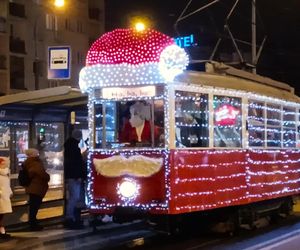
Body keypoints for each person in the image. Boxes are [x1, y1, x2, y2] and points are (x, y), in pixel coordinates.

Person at [63, 129, 86, 229]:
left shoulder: (69, 146)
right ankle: (70, 217)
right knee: (75, 197)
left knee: (75, 197)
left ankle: (73, 217)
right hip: (74, 177)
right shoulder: (74, 148)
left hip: (72, 176)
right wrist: (79, 176)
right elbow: (76, 164)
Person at [23, 148, 50, 231]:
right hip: (36, 188)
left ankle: (33, 223)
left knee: (33, 207)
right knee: (34, 207)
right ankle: (33, 224)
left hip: (33, 187)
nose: (38, 155)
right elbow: (42, 174)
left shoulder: (28, 162)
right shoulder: (35, 163)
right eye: (37, 153)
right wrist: (48, 177)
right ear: (33, 154)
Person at [0, 156, 12, 239]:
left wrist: (9, 192)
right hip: (1, 197)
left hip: (4, 197)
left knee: (1, 215)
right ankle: (2, 232)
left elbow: (6, 185)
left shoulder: (5, 173)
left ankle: (2, 232)